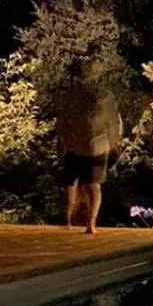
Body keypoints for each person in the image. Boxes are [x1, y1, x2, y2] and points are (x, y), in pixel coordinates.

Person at [57, 57, 123, 233]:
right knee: (81, 185)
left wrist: (114, 141)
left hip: (92, 146)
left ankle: (82, 223)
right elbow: (114, 122)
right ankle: (79, 222)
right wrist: (115, 142)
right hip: (87, 146)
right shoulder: (76, 96)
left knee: (80, 184)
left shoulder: (96, 95)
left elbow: (113, 121)